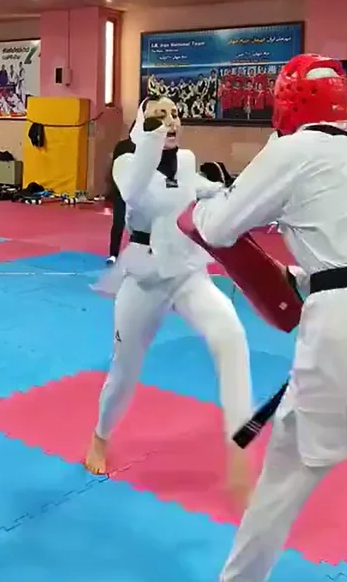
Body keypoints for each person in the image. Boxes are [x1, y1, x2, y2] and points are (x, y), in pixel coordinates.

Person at [186, 54, 347, 582]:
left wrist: (198, 202)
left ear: (285, 102)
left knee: (280, 489)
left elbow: (219, 227)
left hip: (345, 341)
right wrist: (296, 276)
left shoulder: (291, 150)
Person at [85, 96, 254, 502]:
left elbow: (204, 190)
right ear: (143, 124)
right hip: (144, 278)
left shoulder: (188, 160)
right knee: (124, 371)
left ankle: (239, 445)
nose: (171, 121)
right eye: (159, 115)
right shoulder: (128, 160)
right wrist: (151, 136)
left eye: (175, 114)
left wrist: (241, 193)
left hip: (188, 274)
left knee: (231, 335)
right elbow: (134, 192)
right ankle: (100, 436)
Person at [106, 136, 133, 265]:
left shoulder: (147, 147)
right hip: (121, 190)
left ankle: (139, 254)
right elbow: (115, 167)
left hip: (138, 192)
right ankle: (113, 254)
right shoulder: (122, 146)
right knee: (118, 222)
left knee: (139, 226)